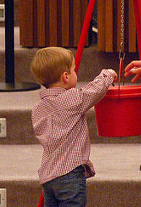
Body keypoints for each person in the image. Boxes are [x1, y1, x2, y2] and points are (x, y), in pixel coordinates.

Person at [30, 46, 117, 207]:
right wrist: (108, 74)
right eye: (73, 70)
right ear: (65, 77)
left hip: (48, 177)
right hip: (69, 174)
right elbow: (94, 91)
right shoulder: (72, 99)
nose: (75, 73)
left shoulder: (37, 109)